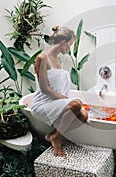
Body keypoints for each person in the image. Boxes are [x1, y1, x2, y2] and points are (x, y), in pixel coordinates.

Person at [31, 26, 88, 156]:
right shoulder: (42, 58)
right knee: (76, 104)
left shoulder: (58, 59)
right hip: (43, 104)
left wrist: (65, 100)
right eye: (70, 44)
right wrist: (65, 100)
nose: (69, 48)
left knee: (83, 116)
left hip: (55, 101)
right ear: (63, 43)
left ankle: (54, 134)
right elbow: (45, 88)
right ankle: (57, 138)